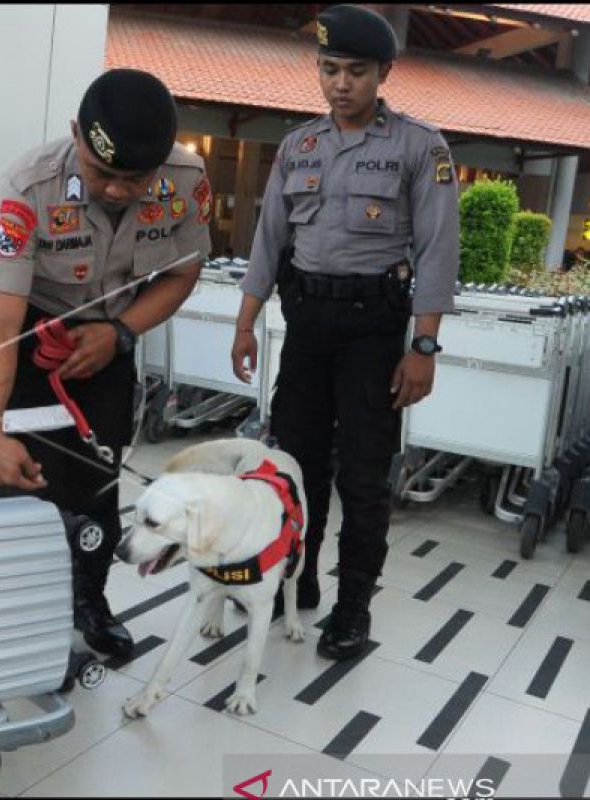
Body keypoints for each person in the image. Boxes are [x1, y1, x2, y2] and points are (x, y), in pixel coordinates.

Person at [230, 4, 460, 660]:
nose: (340, 84)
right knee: (294, 467)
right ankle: (297, 582)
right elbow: (269, 241)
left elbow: (440, 250)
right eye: (329, 69)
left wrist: (423, 346)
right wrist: (246, 323)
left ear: (383, 73)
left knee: (361, 473)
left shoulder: (421, 146)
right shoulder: (298, 146)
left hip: (373, 331)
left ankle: (352, 605)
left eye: (355, 72)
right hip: (305, 327)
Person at [0, 69, 213, 658]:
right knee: (28, 479)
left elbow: (183, 274)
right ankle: (17, 610)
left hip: (110, 336)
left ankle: (89, 601)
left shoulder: (184, 180)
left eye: (136, 179)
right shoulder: (26, 191)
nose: (120, 191)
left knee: (99, 479)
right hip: (26, 333)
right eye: (104, 173)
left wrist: (120, 333)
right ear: (77, 133)